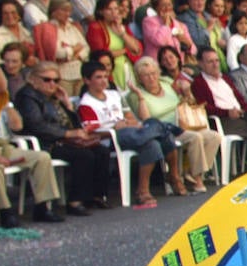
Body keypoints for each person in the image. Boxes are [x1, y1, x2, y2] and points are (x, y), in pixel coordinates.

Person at [78, 59, 186, 206]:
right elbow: (91, 131)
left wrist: (128, 124)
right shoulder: (86, 103)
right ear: (87, 80)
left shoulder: (114, 95)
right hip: (111, 138)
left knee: (152, 143)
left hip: (132, 132)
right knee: (158, 130)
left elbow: (131, 118)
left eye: (105, 76)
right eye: (98, 77)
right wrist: (116, 126)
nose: (104, 81)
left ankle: (144, 190)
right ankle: (163, 130)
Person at [14, 61, 110, 213]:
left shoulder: (53, 96)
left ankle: (96, 196)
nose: (52, 84)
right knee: (83, 156)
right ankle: (75, 201)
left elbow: (73, 123)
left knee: (101, 151)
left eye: (56, 80)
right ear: (33, 79)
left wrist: (67, 104)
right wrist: (67, 134)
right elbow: (36, 125)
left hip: (63, 140)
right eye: (47, 79)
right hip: (45, 143)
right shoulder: (27, 96)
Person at [126, 55, 219, 192]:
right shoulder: (135, 95)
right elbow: (146, 120)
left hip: (184, 123)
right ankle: (198, 180)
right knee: (196, 137)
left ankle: (191, 172)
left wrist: (186, 92)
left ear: (158, 73)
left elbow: (184, 103)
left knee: (213, 136)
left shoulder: (167, 84)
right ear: (139, 78)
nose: (151, 78)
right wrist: (140, 97)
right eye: (145, 75)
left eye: (153, 73)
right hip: (165, 130)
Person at [190, 48, 247, 167]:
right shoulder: (199, 83)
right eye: (210, 62)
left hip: (241, 115)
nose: (215, 65)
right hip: (222, 120)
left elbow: (241, 101)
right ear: (201, 64)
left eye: (217, 61)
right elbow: (205, 108)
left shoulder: (225, 78)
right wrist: (227, 113)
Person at [0, 83, 63, 225]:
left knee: (42, 157)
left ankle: (42, 207)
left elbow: (17, 126)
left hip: (5, 146)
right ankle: (5, 212)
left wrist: (8, 106)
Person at [32, 0, 90, 98]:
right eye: (64, 11)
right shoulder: (47, 28)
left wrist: (75, 56)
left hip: (79, 73)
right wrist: (74, 49)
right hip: (61, 76)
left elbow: (85, 47)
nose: (67, 14)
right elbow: (57, 52)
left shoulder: (73, 27)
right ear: (54, 11)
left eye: (69, 11)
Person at [85, 0, 144, 91]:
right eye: (109, 9)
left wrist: (122, 34)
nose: (114, 12)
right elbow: (101, 55)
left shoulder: (121, 26)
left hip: (126, 69)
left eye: (116, 9)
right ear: (101, 11)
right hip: (110, 71)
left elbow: (136, 49)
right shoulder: (96, 27)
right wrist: (125, 50)